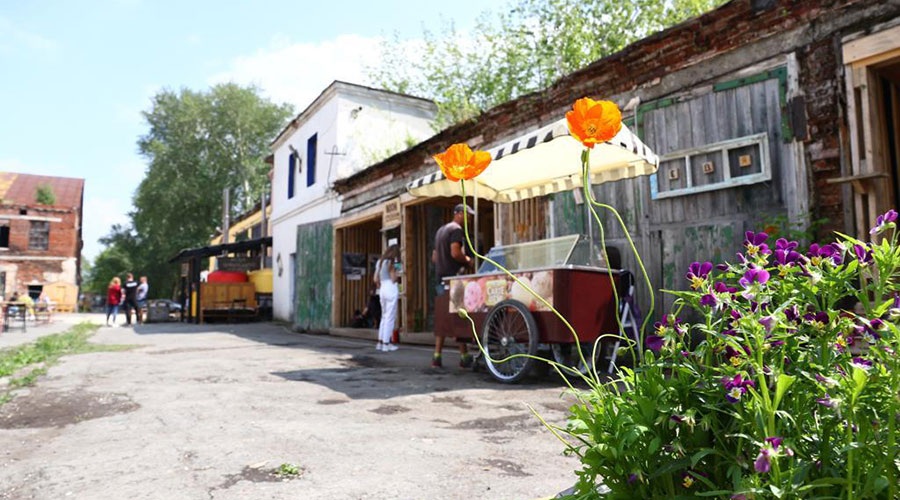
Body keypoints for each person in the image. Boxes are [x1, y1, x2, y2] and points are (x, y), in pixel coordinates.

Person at [431, 203, 475, 369]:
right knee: (460, 318)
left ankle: (437, 356)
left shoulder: (441, 231)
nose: (469, 218)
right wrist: (468, 260)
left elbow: (434, 258)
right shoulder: (456, 230)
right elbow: (455, 253)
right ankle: (464, 358)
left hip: (440, 279)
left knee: (443, 319)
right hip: (454, 280)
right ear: (458, 213)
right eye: (467, 214)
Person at [375, 245, 400, 352]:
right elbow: (394, 278)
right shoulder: (394, 261)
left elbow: (375, 279)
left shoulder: (380, 262)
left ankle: (380, 342)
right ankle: (386, 343)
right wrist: (399, 272)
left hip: (382, 288)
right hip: (391, 287)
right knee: (390, 317)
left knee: (384, 316)